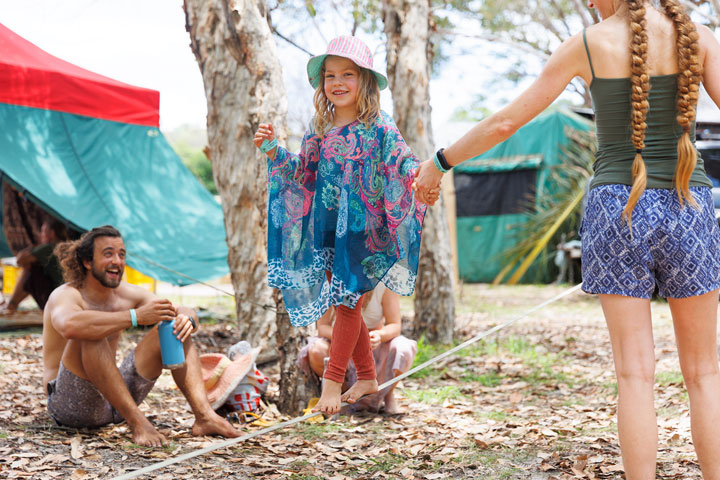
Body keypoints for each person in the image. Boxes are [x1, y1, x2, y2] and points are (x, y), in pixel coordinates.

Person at [413, 1, 720, 478]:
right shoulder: (698, 37)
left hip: (618, 208)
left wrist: (439, 162)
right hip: (689, 203)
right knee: (704, 375)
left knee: (635, 376)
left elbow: (505, 123)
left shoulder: (588, 45)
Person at [254, 36, 437, 415]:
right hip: (326, 230)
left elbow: (404, 163)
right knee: (344, 306)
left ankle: (332, 384)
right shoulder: (320, 126)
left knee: (347, 305)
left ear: (365, 80)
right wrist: (274, 150)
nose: (337, 82)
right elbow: (303, 171)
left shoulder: (380, 127)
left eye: (348, 74)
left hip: (365, 232)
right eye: (330, 75)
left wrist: (423, 181)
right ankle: (367, 376)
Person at [42, 225, 239, 447]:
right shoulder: (66, 295)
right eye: (108, 254)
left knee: (173, 325)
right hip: (72, 406)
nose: (117, 261)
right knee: (90, 331)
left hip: (114, 403)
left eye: (121, 254)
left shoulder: (126, 294)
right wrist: (135, 316)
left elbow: (179, 310)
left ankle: (205, 417)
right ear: (87, 262)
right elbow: (69, 326)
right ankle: (139, 424)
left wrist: (188, 320)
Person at [299, 281, 417, 414]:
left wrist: (379, 335)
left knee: (402, 348)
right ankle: (343, 395)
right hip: (338, 343)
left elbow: (395, 325)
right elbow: (322, 327)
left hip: (374, 346)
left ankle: (387, 394)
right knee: (316, 350)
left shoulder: (384, 283)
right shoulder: (331, 282)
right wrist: (347, 339)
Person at [1, 218, 67, 313]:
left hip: (58, 296)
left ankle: (11, 305)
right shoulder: (65, 245)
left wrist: (33, 247)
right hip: (64, 293)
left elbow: (20, 260)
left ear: (52, 233)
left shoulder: (50, 247)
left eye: (43, 231)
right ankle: (11, 305)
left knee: (31, 268)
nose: (41, 235)